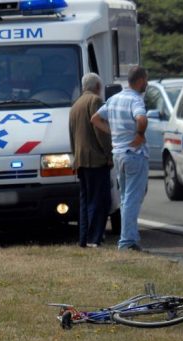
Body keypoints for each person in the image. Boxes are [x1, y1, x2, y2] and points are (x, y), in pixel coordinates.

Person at [91, 66, 149, 251]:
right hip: (133, 154)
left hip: (118, 153)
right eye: (146, 80)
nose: (146, 84)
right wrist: (139, 134)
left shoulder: (114, 99)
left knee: (125, 197)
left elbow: (95, 118)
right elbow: (141, 118)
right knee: (133, 197)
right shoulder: (135, 99)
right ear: (140, 81)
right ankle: (127, 241)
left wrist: (113, 132)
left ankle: (130, 236)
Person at [69, 73, 112, 248]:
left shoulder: (76, 104)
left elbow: (72, 135)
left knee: (86, 200)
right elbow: (100, 131)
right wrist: (109, 153)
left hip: (81, 159)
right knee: (99, 200)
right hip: (95, 159)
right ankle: (94, 238)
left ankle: (84, 237)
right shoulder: (94, 101)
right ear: (97, 86)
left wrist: (74, 157)